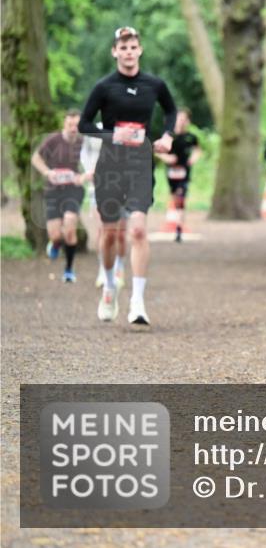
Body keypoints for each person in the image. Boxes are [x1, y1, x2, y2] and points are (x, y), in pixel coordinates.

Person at [79, 26, 177, 325]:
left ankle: (137, 302)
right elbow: (84, 124)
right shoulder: (104, 87)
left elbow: (170, 110)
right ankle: (110, 286)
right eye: (123, 48)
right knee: (110, 234)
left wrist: (168, 136)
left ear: (140, 50)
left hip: (140, 164)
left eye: (133, 47)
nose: (128, 52)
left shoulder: (154, 84)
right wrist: (113, 134)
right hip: (110, 166)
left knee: (137, 231)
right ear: (115, 52)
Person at [31, 109, 86, 283]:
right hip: (53, 190)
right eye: (70, 125)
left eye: (77, 125)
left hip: (73, 190)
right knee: (55, 234)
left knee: (70, 227)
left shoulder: (83, 142)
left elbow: (92, 164)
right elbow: (36, 158)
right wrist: (47, 172)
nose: (73, 128)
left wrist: (82, 177)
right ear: (64, 123)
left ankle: (69, 270)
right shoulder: (53, 140)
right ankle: (55, 243)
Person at [80, 123, 127, 289]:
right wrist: (90, 171)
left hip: (122, 186)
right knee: (103, 231)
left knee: (120, 234)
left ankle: (119, 267)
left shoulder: (126, 129)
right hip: (98, 186)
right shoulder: (94, 130)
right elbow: (84, 153)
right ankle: (103, 270)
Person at [155, 108, 201, 242]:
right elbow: (157, 150)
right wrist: (167, 158)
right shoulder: (169, 137)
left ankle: (179, 227)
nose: (181, 122)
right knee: (175, 197)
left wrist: (193, 158)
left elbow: (197, 150)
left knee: (181, 195)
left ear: (188, 121)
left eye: (184, 119)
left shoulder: (191, 137)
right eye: (179, 119)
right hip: (171, 172)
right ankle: (177, 221)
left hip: (184, 171)